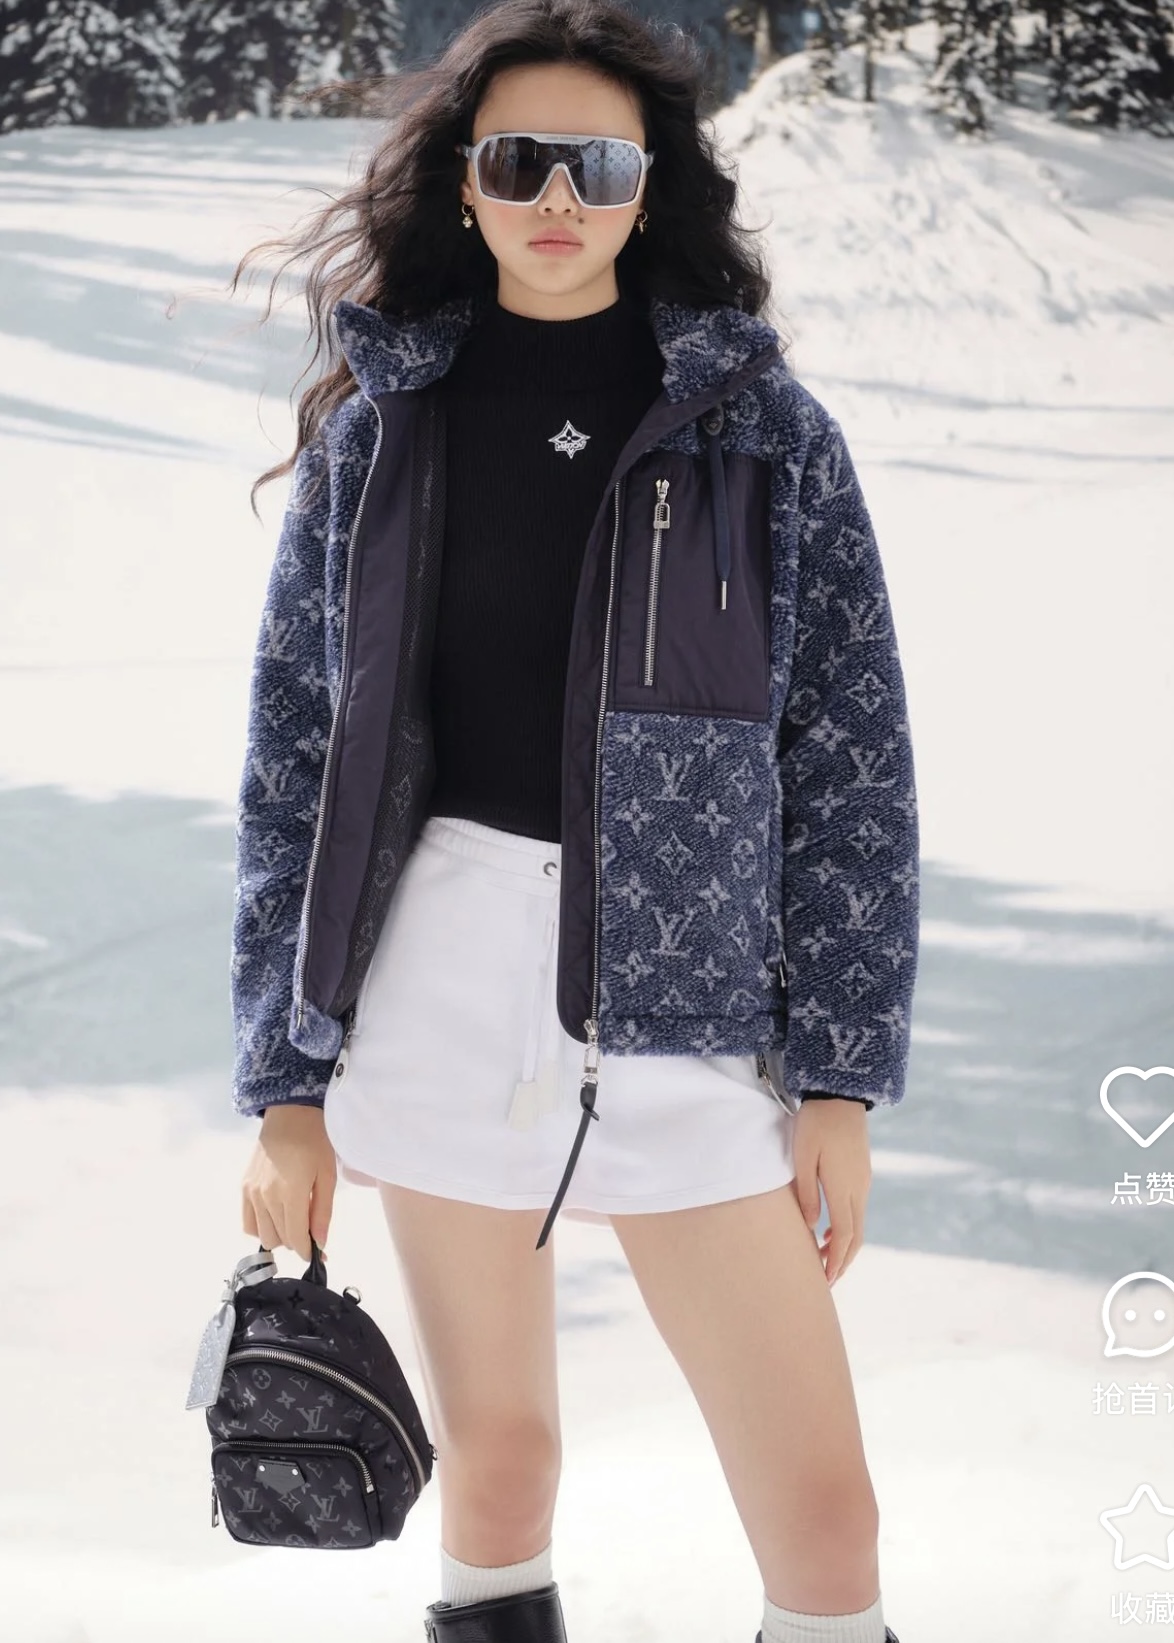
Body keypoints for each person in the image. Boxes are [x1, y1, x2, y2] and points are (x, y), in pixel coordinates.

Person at [231, 3, 918, 1641]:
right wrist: (285, 1086)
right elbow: (293, 764)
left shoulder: (761, 434)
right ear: (465, 187)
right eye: (518, 161)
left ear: (646, 186)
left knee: (825, 1527)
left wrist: (836, 1077)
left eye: (594, 165)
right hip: (435, 988)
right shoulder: (384, 431)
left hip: (684, 1011)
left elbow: (850, 765)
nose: (555, 195)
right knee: (501, 1470)